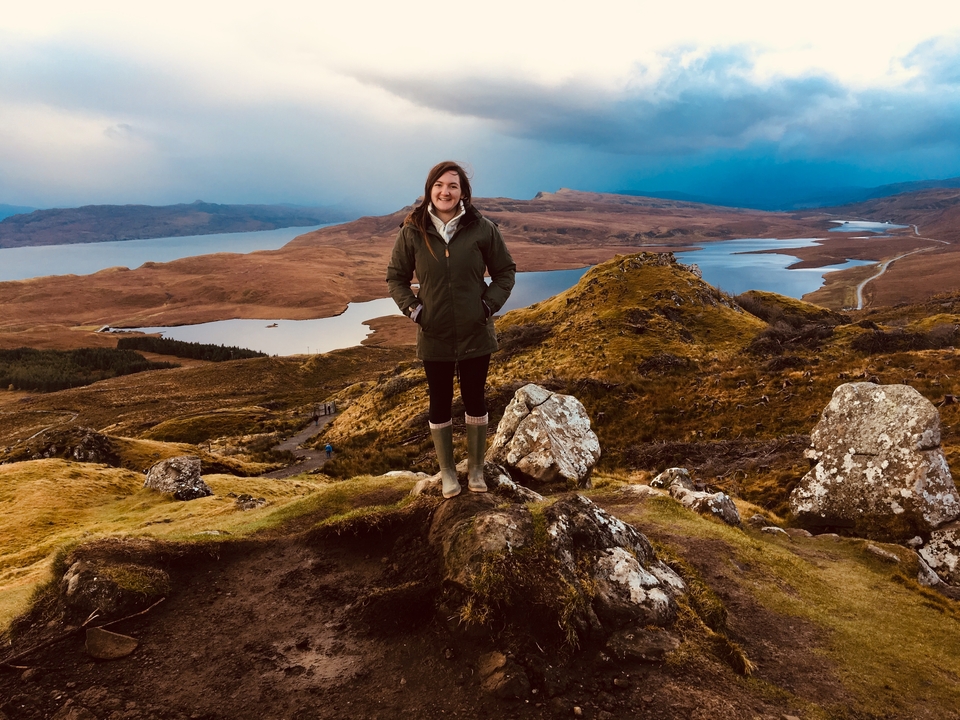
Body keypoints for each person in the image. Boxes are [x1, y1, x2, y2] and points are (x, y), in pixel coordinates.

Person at [387, 161, 516, 499]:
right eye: (440, 185)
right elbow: (396, 278)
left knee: (476, 399)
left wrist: (486, 306)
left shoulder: (482, 228)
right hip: (434, 334)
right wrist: (415, 311)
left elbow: (505, 271)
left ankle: (475, 469)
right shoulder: (412, 230)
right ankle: (447, 473)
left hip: (476, 332)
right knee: (440, 402)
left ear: (463, 193)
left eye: (453, 186)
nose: (446, 191)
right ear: (430, 189)